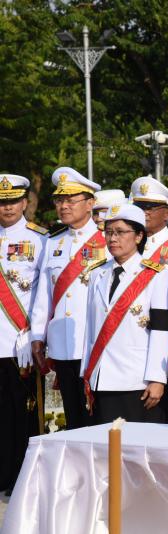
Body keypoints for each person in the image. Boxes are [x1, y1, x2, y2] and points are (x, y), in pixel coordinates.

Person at [82, 203, 168, 424]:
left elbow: (162, 330)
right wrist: (86, 373)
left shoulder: (156, 275)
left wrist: (157, 378)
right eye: (108, 232)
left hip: (136, 379)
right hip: (101, 377)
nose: (113, 239)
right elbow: (90, 329)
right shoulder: (97, 273)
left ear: (139, 236)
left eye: (121, 232)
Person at [30, 167, 105, 430]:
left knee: (96, 416)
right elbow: (44, 296)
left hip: (92, 342)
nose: (63, 206)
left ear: (90, 203)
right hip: (62, 345)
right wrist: (37, 336)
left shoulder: (107, 240)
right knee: (73, 417)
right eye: (59, 200)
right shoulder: (53, 243)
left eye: (71, 200)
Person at [0, 174, 47, 497]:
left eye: (14, 201)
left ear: (25, 202)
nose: (7, 207)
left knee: (22, 411)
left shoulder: (40, 239)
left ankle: (20, 474)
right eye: (2, 202)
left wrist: (34, 333)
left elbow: (44, 293)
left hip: (20, 340)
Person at [129, 176, 168, 276]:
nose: (144, 212)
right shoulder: (127, 243)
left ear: (167, 213)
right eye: (139, 207)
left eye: (149, 208)